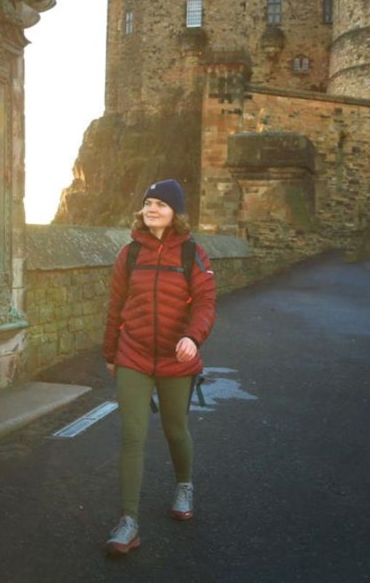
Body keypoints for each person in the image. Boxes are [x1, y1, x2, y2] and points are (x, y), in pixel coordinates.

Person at [102, 179, 217, 556]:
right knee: (132, 435)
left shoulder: (192, 254)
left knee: (174, 430)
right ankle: (128, 521)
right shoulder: (129, 254)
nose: (152, 209)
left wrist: (193, 338)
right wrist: (110, 354)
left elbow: (204, 302)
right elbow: (116, 305)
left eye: (161, 205)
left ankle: (184, 484)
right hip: (133, 355)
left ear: (175, 214)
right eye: (148, 203)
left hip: (176, 357)